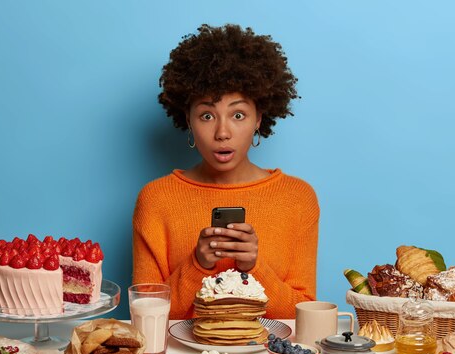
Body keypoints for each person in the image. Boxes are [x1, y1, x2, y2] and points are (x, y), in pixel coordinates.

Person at [132, 24, 319, 319]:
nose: (222, 132)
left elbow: (302, 315)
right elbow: (146, 316)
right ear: (188, 120)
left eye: (238, 115)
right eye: (207, 115)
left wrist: (253, 268)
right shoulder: (156, 199)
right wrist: (198, 264)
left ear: (259, 118)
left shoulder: (297, 198)